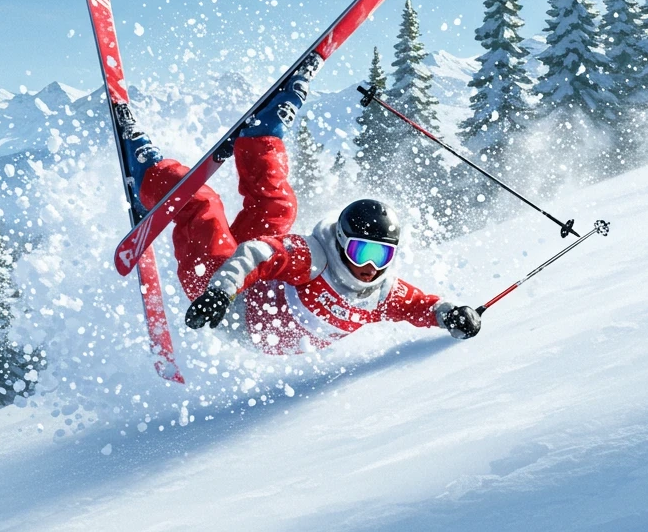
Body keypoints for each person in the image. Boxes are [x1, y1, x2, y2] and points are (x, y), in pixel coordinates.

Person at [113, 66, 480, 356]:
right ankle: (253, 138)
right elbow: (259, 254)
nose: (370, 266)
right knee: (270, 207)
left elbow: (420, 306)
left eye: (381, 255)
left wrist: (452, 314)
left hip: (230, 319)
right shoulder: (314, 259)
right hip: (219, 292)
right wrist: (221, 291)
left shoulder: (381, 292)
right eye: (361, 251)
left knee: (208, 204)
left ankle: (152, 181)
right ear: (341, 243)